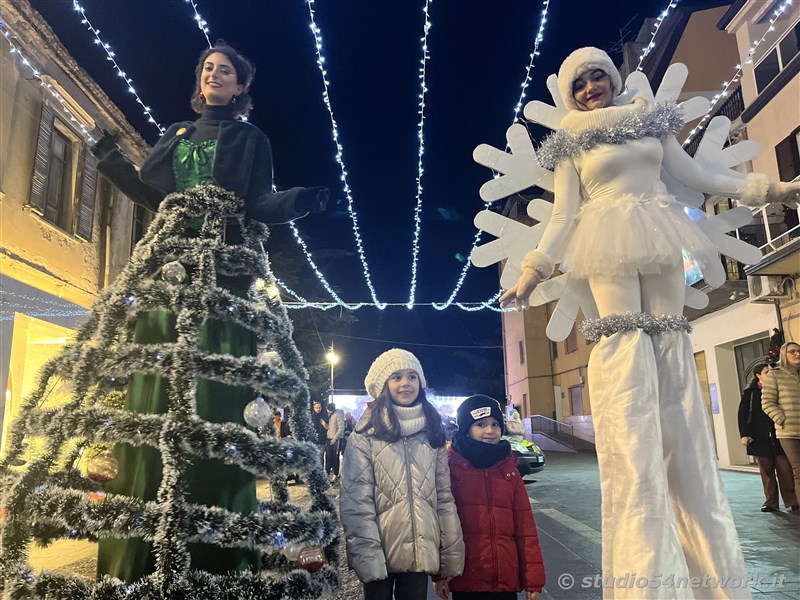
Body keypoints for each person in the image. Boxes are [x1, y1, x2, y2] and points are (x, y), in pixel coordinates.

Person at [497, 47, 800, 598]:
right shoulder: (572, 140)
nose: (591, 88)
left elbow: (697, 174)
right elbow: (564, 214)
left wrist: (768, 190)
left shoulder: (650, 123)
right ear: (570, 94)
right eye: (580, 83)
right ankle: (637, 451)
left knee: (667, 337)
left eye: (598, 77)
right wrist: (531, 273)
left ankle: (679, 450)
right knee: (622, 337)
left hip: (659, 230)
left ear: (612, 79)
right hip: (604, 235)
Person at [90, 43, 328, 582]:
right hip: (168, 275)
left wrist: (301, 200)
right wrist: (109, 160)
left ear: (241, 86)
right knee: (149, 394)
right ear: (200, 81)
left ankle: (217, 554)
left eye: (226, 70)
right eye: (207, 67)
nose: (214, 74)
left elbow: (258, 202)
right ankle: (138, 558)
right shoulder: (175, 134)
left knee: (218, 398)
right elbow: (152, 194)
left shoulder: (250, 138)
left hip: (223, 276)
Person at [340, 348, 464, 600]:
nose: (405, 383)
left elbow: (443, 497)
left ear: (420, 382)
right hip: (379, 553)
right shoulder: (365, 434)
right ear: (383, 386)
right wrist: (368, 556)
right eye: (396, 377)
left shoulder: (433, 433)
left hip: (419, 553)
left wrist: (450, 552)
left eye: (412, 376)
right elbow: (356, 503)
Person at [434, 395, 544, 600]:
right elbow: (441, 527)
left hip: (505, 579)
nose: (490, 431)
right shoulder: (450, 469)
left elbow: (525, 528)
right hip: (466, 578)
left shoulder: (509, 470)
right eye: (480, 424)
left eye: (495, 424)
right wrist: (439, 573)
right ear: (467, 428)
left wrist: (533, 578)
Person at [738, 363, 798, 512]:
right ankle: (771, 502)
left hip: (779, 434)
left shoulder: (778, 388)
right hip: (758, 437)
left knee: (785, 470)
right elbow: (743, 414)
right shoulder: (751, 393)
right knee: (767, 472)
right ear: (758, 375)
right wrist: (744, 434)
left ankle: (792, 501)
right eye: (767, 372)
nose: (771, 374)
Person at [761, 342, 800, 509]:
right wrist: (781, 418)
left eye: (799, 351)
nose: (797, 354)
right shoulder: (775, 375)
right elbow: (767, 402)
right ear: (784, 355)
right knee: (799, 471)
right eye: (793, 351)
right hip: (789, 432)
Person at [325, 401, 344, 482]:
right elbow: (330, 427)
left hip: (336, 440)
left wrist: (335, 439)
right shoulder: (331, 416)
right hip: (329, 438)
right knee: (328, 457)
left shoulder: (338, 415)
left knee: (335, 457)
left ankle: (336, 474)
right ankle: (327, 473)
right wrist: (324, 425)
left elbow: (341, 429)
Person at [312, 399, 329, 464]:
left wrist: (324, 424)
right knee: (314, 457)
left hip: (322, 440)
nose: (318, 409)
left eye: (319, 407)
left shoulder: (325, 416)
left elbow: (329, 427)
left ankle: (320, 471)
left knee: (320, 456)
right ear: (314, 408)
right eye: (317, 408)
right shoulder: (312, 417)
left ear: (321, 408)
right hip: (314, 440)